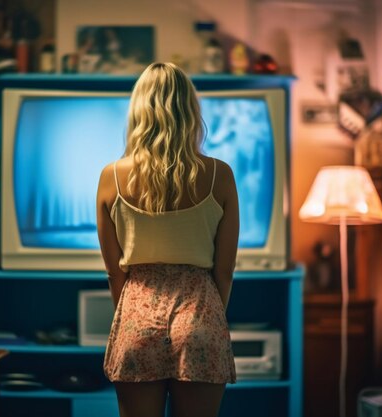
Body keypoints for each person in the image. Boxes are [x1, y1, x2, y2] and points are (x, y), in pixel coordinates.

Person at [96, 62, 239, 417]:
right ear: (190, 111)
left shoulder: (111, 176)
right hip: (201, 311)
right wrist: (209, 315)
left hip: (136, 314)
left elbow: (115, 272)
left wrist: (130, 315)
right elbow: (225, 270)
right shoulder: (219, 175)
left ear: (139, 110)